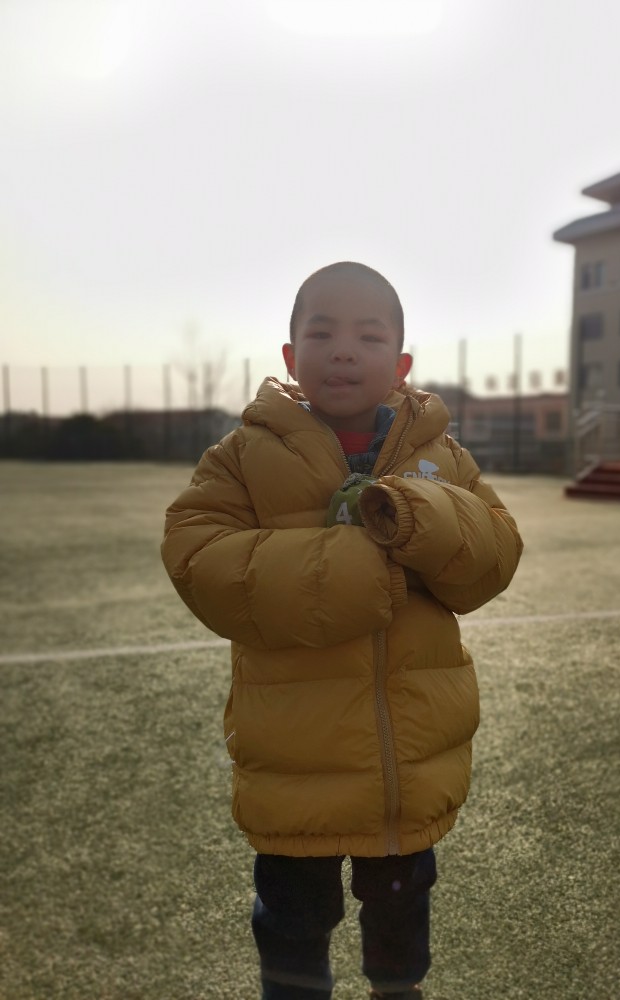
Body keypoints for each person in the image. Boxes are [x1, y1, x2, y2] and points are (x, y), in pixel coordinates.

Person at [161, 261, 523, 999]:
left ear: (401, 363)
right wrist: (358, 566)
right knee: (293, 921)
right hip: (295, 758)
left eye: (369, 335)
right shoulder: (244, 456)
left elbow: (494, 556)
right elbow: (199, 558)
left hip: (409, 763)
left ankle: (399, 988)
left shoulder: (442, 456)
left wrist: (421, 517)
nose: (344, 350)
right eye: (321, 334)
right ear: (290, 356)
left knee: (402, 912)